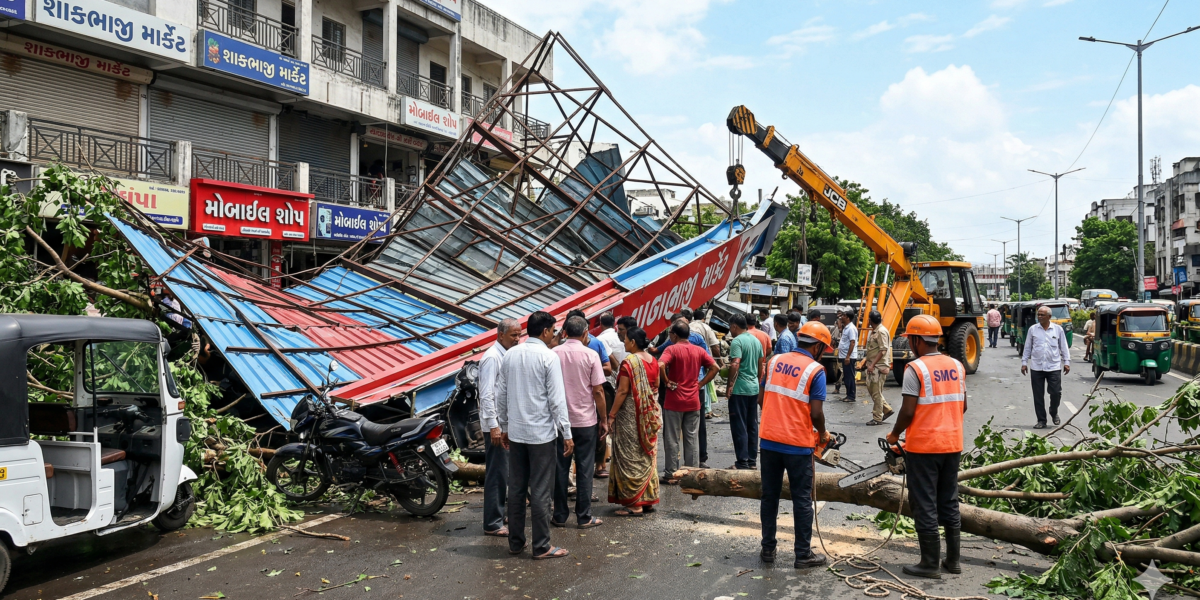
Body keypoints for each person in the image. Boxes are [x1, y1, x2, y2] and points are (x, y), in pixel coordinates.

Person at [887, 314, 967, 579]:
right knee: (949, 500)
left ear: (917, 340)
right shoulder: (957, 365)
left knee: (924, 503)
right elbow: (963, 405)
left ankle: (930, 563)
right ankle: (953, 561)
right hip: (952, 444)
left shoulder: (915, 368)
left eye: (910, 340)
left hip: (924, 447)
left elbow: (908, 410)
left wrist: (895, 434)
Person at [496, 311, 572, 560]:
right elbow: (557, 400)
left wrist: (504, 426)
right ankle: (541, 546)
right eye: (553, 331)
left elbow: (501, 394)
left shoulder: (510, 354)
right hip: (541, 435)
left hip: (517, 433)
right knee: (540, 491)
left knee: (517, 489)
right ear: (546, 331)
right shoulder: (548, 357)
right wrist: (566, 432)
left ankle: (516, 542)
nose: (554, 335)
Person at [758, 320, 832, 569]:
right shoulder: (815, 370)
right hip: (798, 445)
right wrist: (823, 434)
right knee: (801, 499)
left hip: (769, 441)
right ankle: (802, 554)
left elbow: (761, 398)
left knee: (769, 496)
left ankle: (768, 549)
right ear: (818, 347)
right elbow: (816, 413)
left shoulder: (774, 361)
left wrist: (776, 418)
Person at [551, 316, 607, 529]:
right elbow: (598, 391)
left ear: (564, 332)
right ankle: (584, 516)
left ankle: (559, 515)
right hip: (585, 421)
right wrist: (604, 419)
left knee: (560, 468)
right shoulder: (591, 355)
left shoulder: (554, 353)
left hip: (559, 422)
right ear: (585, 334)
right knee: (584, 468)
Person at [606, 327, 662, 515]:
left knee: (630, 456)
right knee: (645, 455)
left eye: (626, 339)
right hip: (649, 414)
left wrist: (612, 415)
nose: (623, 342)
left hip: (631, 415)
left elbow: (623, 391)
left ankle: (634, 504)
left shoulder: (629, 362)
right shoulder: (653, 360)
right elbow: (656, 385)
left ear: (633, 342)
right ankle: (647, 499)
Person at [477, 318, 522, 537]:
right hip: (494, 426)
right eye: (513, 335)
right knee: (497, 474)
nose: (517, 339)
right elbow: (486, 394)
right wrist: (494, 425)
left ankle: (500, 514)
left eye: (519, 335)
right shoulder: (492, 358)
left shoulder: (506, 355)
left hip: (505, 424)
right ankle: (492, 522)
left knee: (505, 472)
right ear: (501, 335)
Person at [659, 321, 717, 481]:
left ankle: (671, 474)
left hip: (674, 401)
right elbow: (715, 367)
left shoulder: (671, 349)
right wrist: (700, 384)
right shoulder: (698, 350)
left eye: (670, 334)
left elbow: (660, 364)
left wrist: (666, 381)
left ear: (674, 335)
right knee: (691, 438)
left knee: (672, 438)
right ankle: (691, 474)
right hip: (693, 400)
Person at [1021, 305, 1070, 429]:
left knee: (1056, 392)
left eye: (1042, 315)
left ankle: (1053, 411)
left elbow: (1064, 346)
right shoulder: (1033, 329)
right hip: (1036, 367)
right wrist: (1024, 363)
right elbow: (1027, 347)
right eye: (1038, 314)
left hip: (1054, 367)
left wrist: (1067, 362)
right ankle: (1041, 420)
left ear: (1049, 316)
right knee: (1038, 396)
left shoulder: (1058, 329)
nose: (1039, 317)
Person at [726, 313, 763, 469]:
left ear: (734, 326)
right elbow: (761, 365)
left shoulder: (737, 341)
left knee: (739, 426)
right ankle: (752, 461)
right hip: (753, 388)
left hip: (740, 389)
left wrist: (729, 385)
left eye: (730, 327)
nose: (730, 330)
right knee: (752, 425)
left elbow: (735, 364)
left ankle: (742, 462)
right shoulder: (756, 340)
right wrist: (758, 382)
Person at [861, 310, 894, 426]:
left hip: (878, 367)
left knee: (876, 393)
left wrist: (872, 365)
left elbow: (883, 350)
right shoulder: (875, 331)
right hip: (873, 366)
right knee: (874, 391)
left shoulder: (881, 332)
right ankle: (887, 409)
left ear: (870, 320)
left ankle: (877, 418)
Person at [837, 311, 858, 403]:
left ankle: (851, 396)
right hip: (845, 355)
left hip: (848, 357)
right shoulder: (846, 328)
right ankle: (848, 394)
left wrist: (848, 356)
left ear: (848, 318)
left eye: (844, 316)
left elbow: (852, 342)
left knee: (849, 377)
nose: (842, 317)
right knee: (847, 376)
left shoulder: (851, 328)